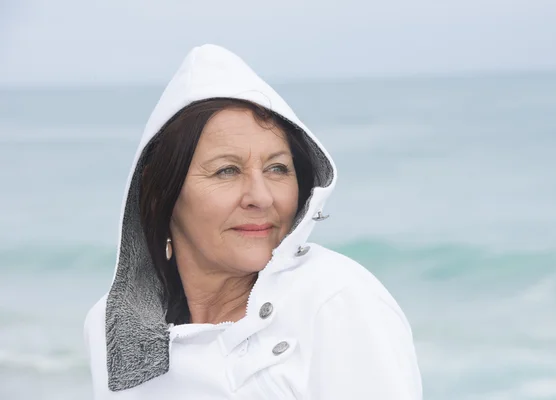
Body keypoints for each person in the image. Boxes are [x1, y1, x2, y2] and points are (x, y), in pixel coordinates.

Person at [84, 44, 422, 399]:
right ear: (159, 193)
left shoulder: (335, 303)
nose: (261, 197)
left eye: (277, 168)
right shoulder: (116, 332)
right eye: (226, 171)